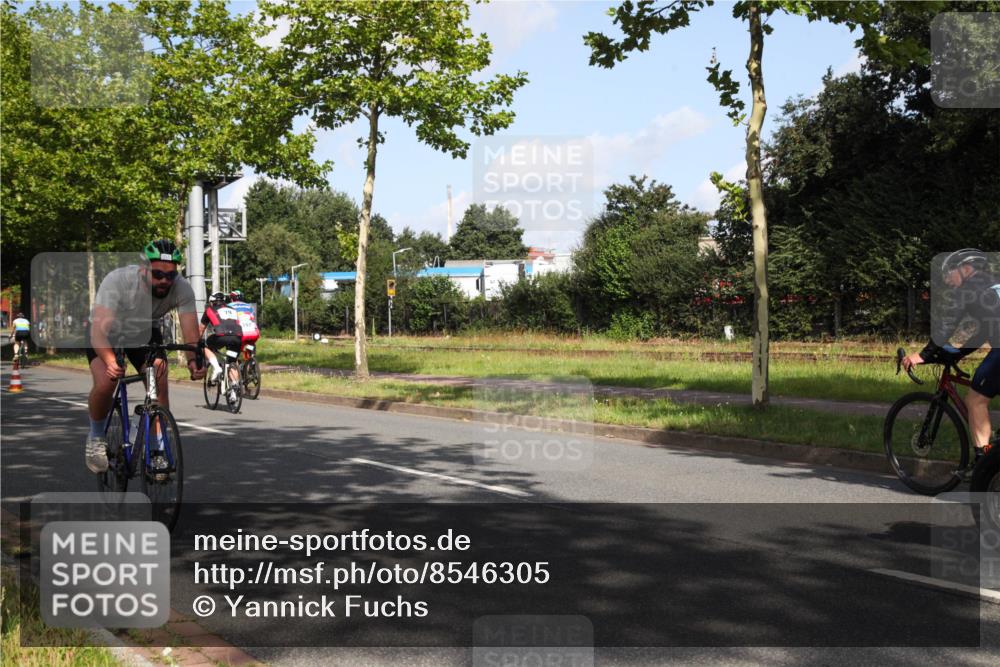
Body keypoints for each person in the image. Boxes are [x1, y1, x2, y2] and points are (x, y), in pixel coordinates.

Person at [86, 239, 206, 473]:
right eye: (158, 274)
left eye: (170, 275)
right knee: (105, 381)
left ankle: (156, 448)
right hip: (106, 331)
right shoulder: (118, 281)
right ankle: (96, 439)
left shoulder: (182, 288)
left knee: (159, 374)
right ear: (144, 269)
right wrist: (111, 361)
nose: (164, 281)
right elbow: (98, 332)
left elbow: (190, 331)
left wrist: (194, 360)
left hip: (142, 330)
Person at [903, 248, 1000, 474]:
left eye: (950, 274)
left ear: (966, 269)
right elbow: (983, 332)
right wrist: (957, 354)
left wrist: (922, 355)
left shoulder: (969, 289)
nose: (948, 280)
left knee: (975, 400)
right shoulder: (992, 286)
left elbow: (947, 325)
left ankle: (983, 466)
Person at [200, 292, 244, 404]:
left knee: (204, 346)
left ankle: (217, 367)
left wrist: (196, 341)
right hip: (237, 338)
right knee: (231, 361)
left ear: (212, 302)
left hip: (221, 337)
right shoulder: (233, 309)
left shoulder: (209, 310)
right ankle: (234, 390)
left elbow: (201, 329)